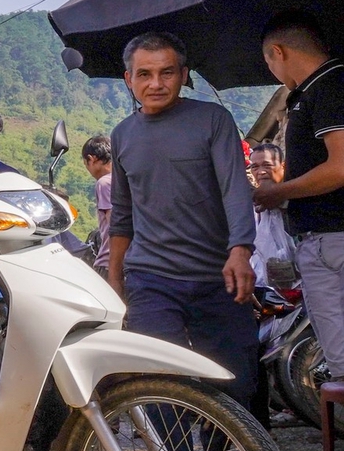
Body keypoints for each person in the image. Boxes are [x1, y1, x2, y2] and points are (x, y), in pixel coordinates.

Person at [107, 32, 258, 409]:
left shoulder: (212, 120)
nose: (155, 84)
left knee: (234, 384)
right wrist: (115, 276)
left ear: (183, 75)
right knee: (159, 383)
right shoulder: (123, 135)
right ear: (129, 79)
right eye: (144, 74)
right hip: (151, 278)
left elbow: (234, 189)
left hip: (217, 275)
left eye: (166, 73)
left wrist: (240, 251)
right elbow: (122, 215)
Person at [254, 16, 344, 404]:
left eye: (269, 63)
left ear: (278, 52)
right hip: (319, 238)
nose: (273, 72)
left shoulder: (331, 84)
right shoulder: (311, 92)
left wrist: (279, 193)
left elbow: (339, 166)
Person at [246, 142, 295, 289]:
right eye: (255, 167)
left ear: (283, 166)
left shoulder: (298, 199)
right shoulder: (253, 205)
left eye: (267, 165)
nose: (260, 172)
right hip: (265, 286)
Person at [82, 135, 114, 272]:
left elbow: (115, 223)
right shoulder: (123, 179)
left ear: (92, 159)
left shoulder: (104, 183)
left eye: (86, 163)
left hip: (110, 261)